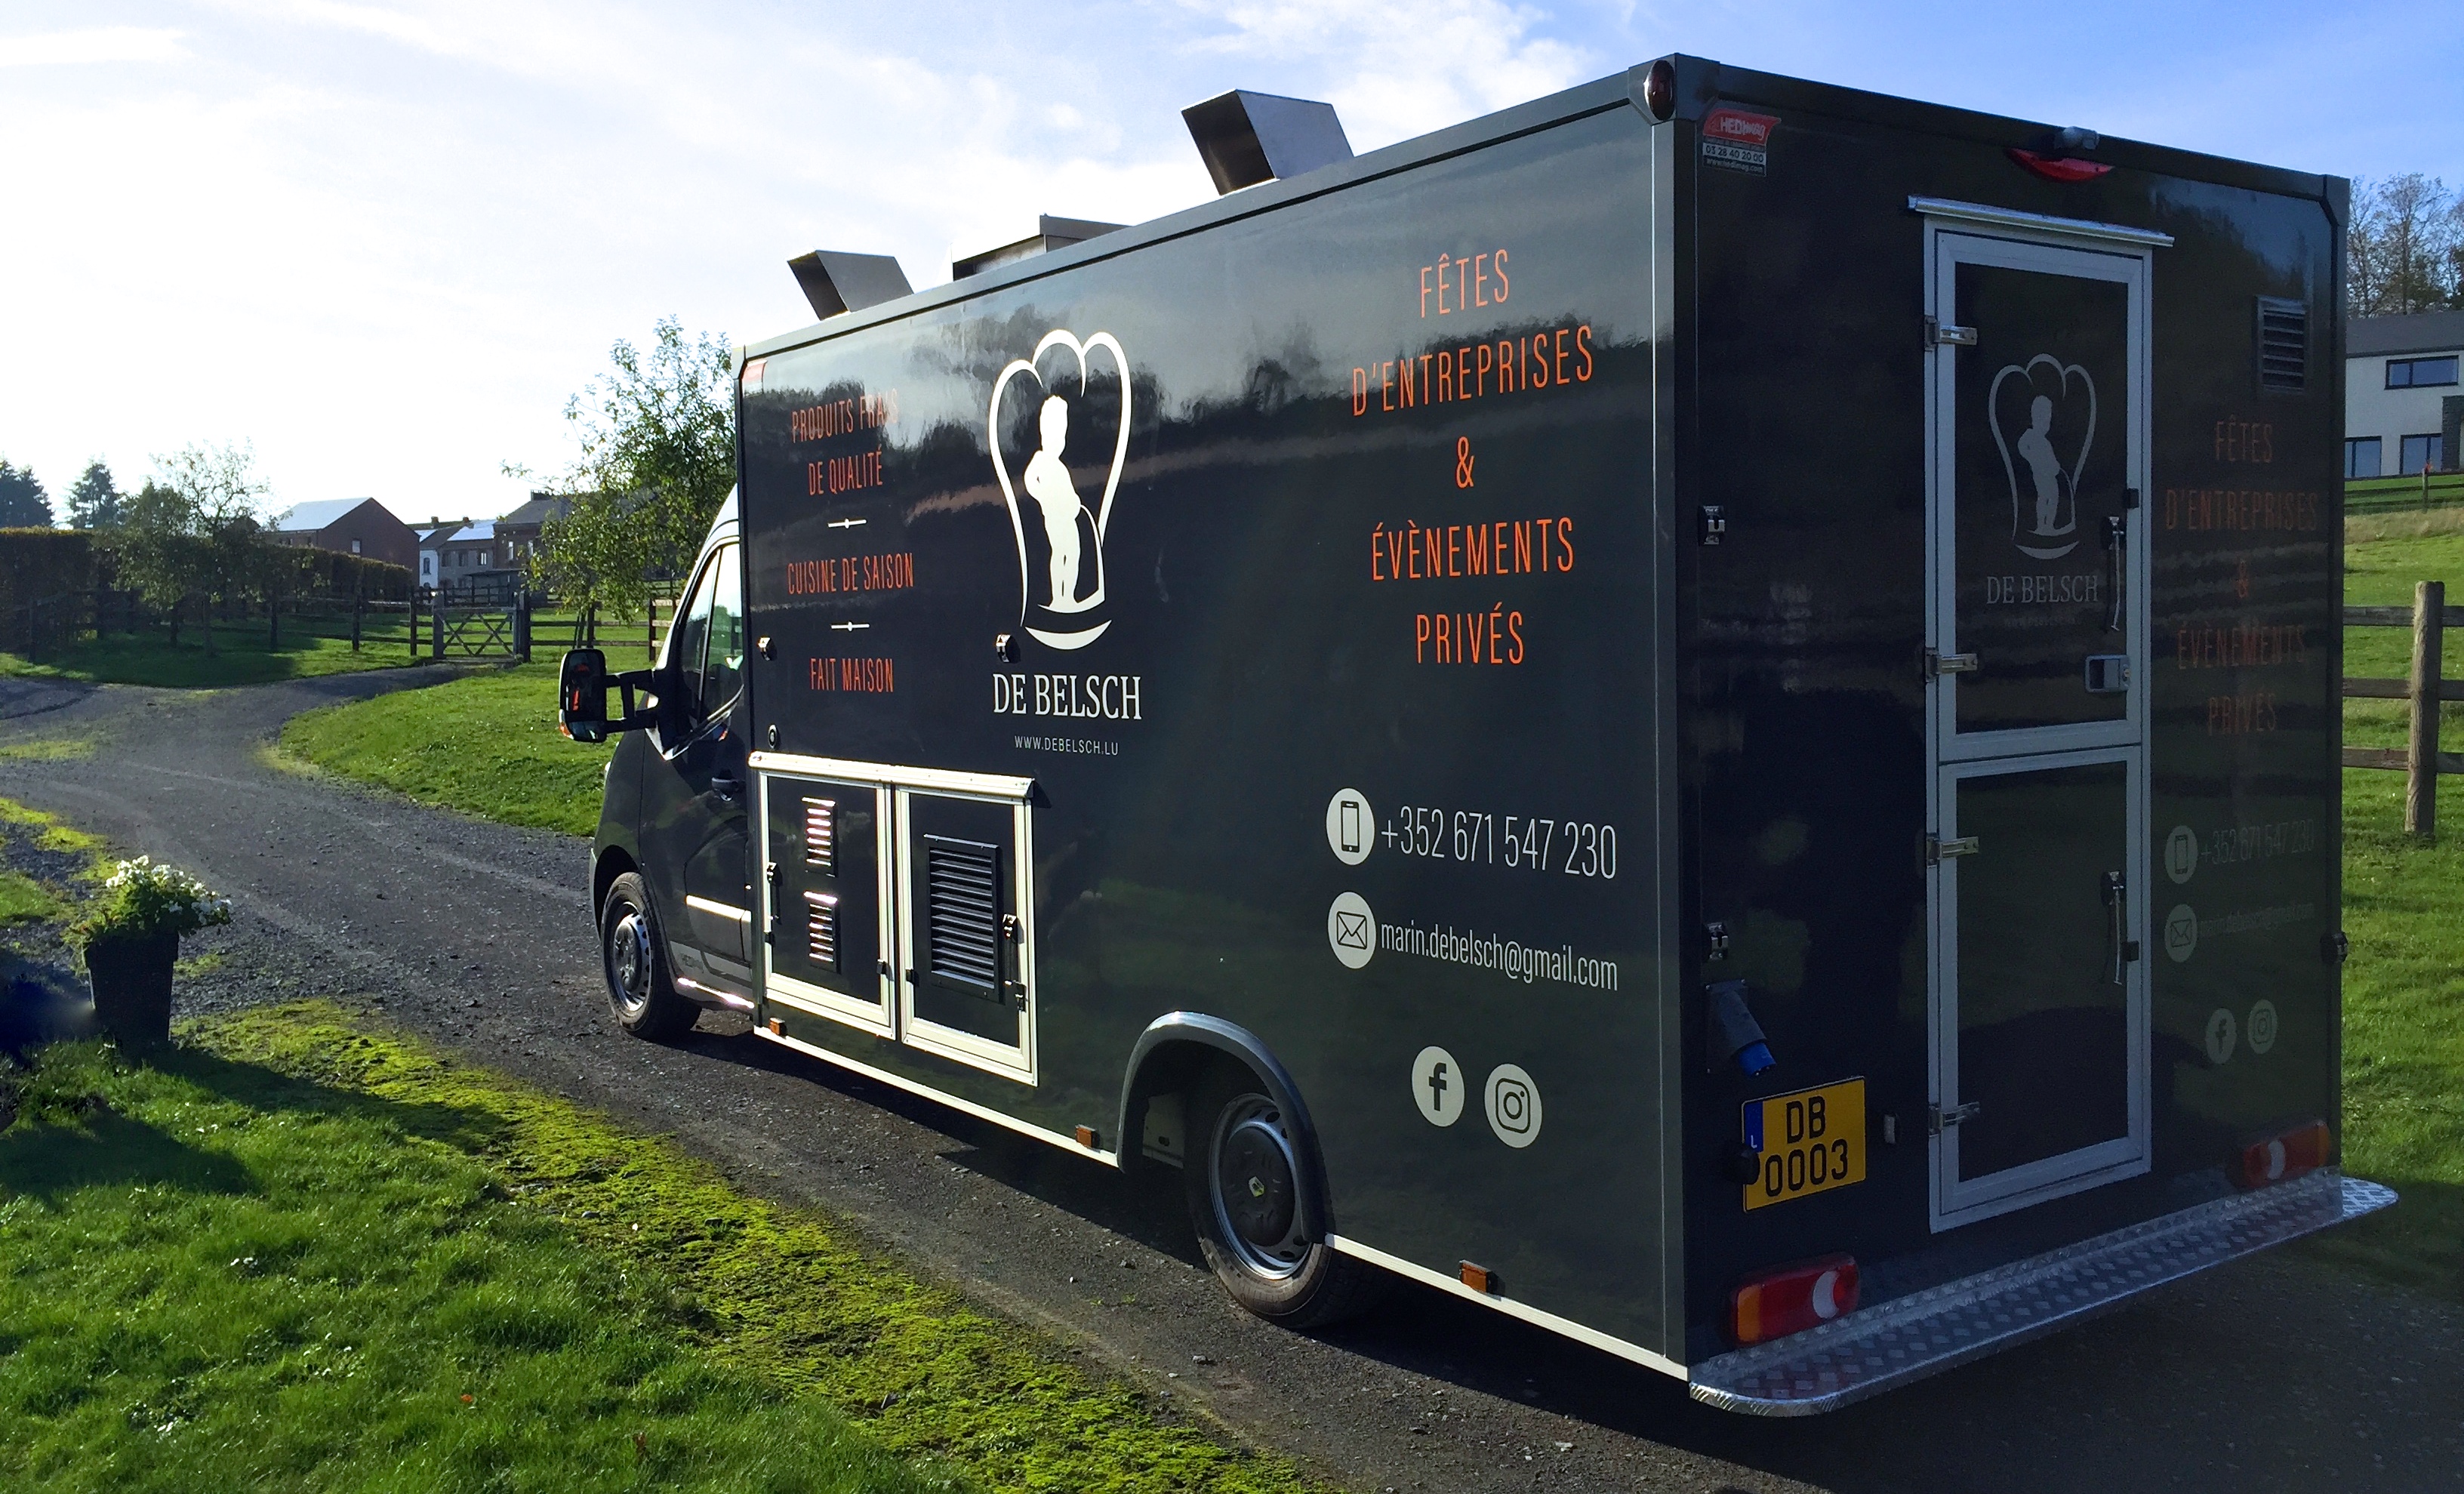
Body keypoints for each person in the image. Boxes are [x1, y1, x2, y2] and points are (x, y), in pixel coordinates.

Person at [1023, 396, 1090, 610]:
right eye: (1054, 434)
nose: (1058, 440)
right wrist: (1045, 498)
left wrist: (1074, 502)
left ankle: (1068, 597)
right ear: (1043, 434)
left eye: (1061, 434)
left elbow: (1068, 491)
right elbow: (1030, 481)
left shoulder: (1059, 466)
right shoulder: (1041, 460)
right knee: (1060, 553)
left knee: (1073, 554)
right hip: (1055, 519)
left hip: (1068, 519)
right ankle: (1058, 598)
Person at [2016, 393, 2068, 536]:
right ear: (2034, 417)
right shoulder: (2030, 436)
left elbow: (2051, 460)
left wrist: (2055, 466)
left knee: (2053, 498)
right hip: (2041, 475)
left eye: (2048, 418)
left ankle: (2049, 526)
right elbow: (2022, 447)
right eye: (2043, 417)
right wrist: (2033, 459)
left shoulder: (2045, 442)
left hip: (2050, 476)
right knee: (2044, 498)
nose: (2046, 421)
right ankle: (2042, 526)